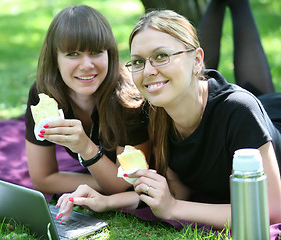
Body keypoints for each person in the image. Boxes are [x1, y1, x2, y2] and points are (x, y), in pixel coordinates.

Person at [55, 7, 281, 230]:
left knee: (256, 92)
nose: (148, 71)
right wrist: (106, 201)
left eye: (161, 56)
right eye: (138, 62)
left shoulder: (239, 110)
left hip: (272, 114)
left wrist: (174, 208)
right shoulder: (157, 111)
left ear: (197, 60)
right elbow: (173, 191)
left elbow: (270, 210)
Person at [24, 5, 150, 196]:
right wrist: (104, 179)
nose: (86, 65)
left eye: (96, 52)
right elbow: (43, 179)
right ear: (55, 58)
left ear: (110, 53)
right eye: (72, 54)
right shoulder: (45, 96)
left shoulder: (129, 98)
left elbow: (124, 182)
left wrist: (85, 147)